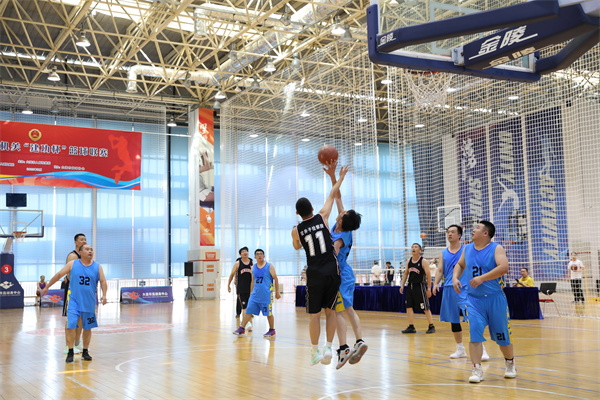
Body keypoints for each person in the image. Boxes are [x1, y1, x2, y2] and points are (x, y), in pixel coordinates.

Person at [291, 165, 348, 366]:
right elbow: (332, 194)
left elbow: (297, 246)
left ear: (297, 213)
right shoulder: (322, 216)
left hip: (314, 273)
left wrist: (300, 239)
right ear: (313, 209)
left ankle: (315, 351)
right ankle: (328, 347)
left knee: (314, 315)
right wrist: (339, 177)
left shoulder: (296, 230)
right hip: (332, 270)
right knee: (330, 311)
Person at [453, 221, 516, 383]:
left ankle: (510, 363)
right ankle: (477, 370)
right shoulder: (467, 249)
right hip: (474, 300)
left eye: (477, 228)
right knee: (474, 335)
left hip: (495, 299)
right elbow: (460, 264)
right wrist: (455, 278)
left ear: (485, 233)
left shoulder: (496, 248)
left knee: (503, 337)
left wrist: (482, 278)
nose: (473, 230)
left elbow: (504, 267)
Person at [323, 161, 368, 369]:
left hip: (340, 275)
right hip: (346, 273)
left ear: (342, 219)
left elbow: (332, 256)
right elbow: (338, 197)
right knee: (349, 309)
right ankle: (359, 341)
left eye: (343, 212)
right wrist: (334, 177)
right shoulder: (344, 226)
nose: (341, 210)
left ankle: (344, 349)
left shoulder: (339, 238)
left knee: (338, 311)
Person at [42, 244, 108, 363]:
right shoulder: (72, 264)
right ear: (80, 252)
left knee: (87, 328)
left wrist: (104, 295)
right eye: (87, 249)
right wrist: (47, 286)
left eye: (91, 249)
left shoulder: (97, 266)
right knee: (70, 325)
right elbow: (59, 275)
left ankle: (85, 351)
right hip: (74, 302)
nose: (90, 251)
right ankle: (70, 350)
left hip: (89, 303)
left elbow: (103, 281)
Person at [433, 225, 489, 361]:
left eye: (453, 232)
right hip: (448, 288)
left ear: (459, 235)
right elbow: (440, 270)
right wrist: (435, 284)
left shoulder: (467, 249)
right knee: (454, 320)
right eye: (448, 232)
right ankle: (460, 349)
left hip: (465, 288)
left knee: (472, 318)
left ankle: (482, 348)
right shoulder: (443, 252)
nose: (449, 234)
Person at [233, 249, 280, 338]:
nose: (259, 255)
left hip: (266, 295)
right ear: (255, 257)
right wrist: (251, 293)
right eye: (257, 254)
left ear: (264, 256)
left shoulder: (269, 266)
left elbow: (275, 279)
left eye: (261, 254)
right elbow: (253, 281)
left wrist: (277, 292)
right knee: (248, 311)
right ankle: (242, 328)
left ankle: (272, 330)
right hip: (255, 295)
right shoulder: (253, 267)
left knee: (268, 313)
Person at [400, 243, 435, 334]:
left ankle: (431, 325)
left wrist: (429, 289)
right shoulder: (409, 261)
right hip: (410, 286)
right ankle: (411, 326)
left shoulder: (423, 261)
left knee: (425, 307)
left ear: (419, 250)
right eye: (412, 247)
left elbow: (428, 275)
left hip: (420, 286)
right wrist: (402, 285)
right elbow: (405, 274)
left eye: (416, 247)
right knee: (409, 306)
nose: (413, 248)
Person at [63, 233, 87, 354]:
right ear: (76, 242)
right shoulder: (73, 256)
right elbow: (69, 274)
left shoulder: (85, 256)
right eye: (81, 240)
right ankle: (68, 346)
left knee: (81, 318)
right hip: (73, 291)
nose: (84, 241)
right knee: (72, 318)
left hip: (83, 291)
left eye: (85, 239)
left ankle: (77, 343)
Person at [227, 246, 253, 330]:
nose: (245, 253)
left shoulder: (252, 263)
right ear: (240, 254)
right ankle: (247, 324)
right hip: (241, 289)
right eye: (243, 252)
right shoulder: (238, 263)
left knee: (249, 308)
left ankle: (244, 323)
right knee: (245, 308)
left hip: (251, 289)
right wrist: (228, 285)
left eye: (246, 251)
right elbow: (232, 274)